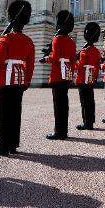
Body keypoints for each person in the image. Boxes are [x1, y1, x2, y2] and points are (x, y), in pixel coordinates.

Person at [0, 0, 34, 156]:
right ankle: (13, 144)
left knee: (4, 114)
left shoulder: (5, 39)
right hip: (19, 81)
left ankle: (2, 146)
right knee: (15, 113)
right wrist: (27, 81)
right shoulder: (28, 41)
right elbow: (30, 66)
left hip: (6, 81)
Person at [40, 10, 76, 140]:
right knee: (63, 103)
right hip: (66, 74)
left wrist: (45, 59)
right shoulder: (71, 41)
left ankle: (59, 132)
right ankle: (63, 130)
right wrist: (70, 75)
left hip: (57, 75)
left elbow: (55, 57)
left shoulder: (57, 39)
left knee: (58, 104)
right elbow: (72, 61)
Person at [75, 22, 101, 130]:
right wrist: (94, 78)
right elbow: (97, 67)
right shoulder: (96, 51)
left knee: (84, 101)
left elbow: (79, 66)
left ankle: (87, 123)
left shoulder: (84, 51)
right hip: (91, 78)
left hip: (83, 78)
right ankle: (90, 121)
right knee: (90, 100)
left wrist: (73, 61)